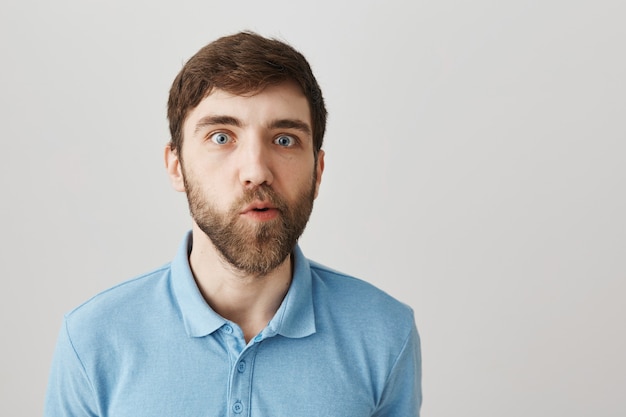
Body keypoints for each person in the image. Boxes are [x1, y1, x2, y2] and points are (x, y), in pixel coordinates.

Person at [44, 31, 422, 416]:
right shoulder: (92, 339)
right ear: (176, 166)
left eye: (285, 140)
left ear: (318, 171)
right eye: (222, 137)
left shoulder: (385, 334)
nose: (256, 171)